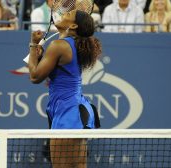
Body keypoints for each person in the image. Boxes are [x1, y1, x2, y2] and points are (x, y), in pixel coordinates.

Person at [28, 9, 101, 167]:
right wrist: (39, 56)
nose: (62, 15)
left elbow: (34, 76)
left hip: (68, 112)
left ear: (73, 25)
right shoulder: (72, 45)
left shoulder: (59, 45)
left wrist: (33, 45)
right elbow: (55, 73)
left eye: (68, 15)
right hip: (76, 109)